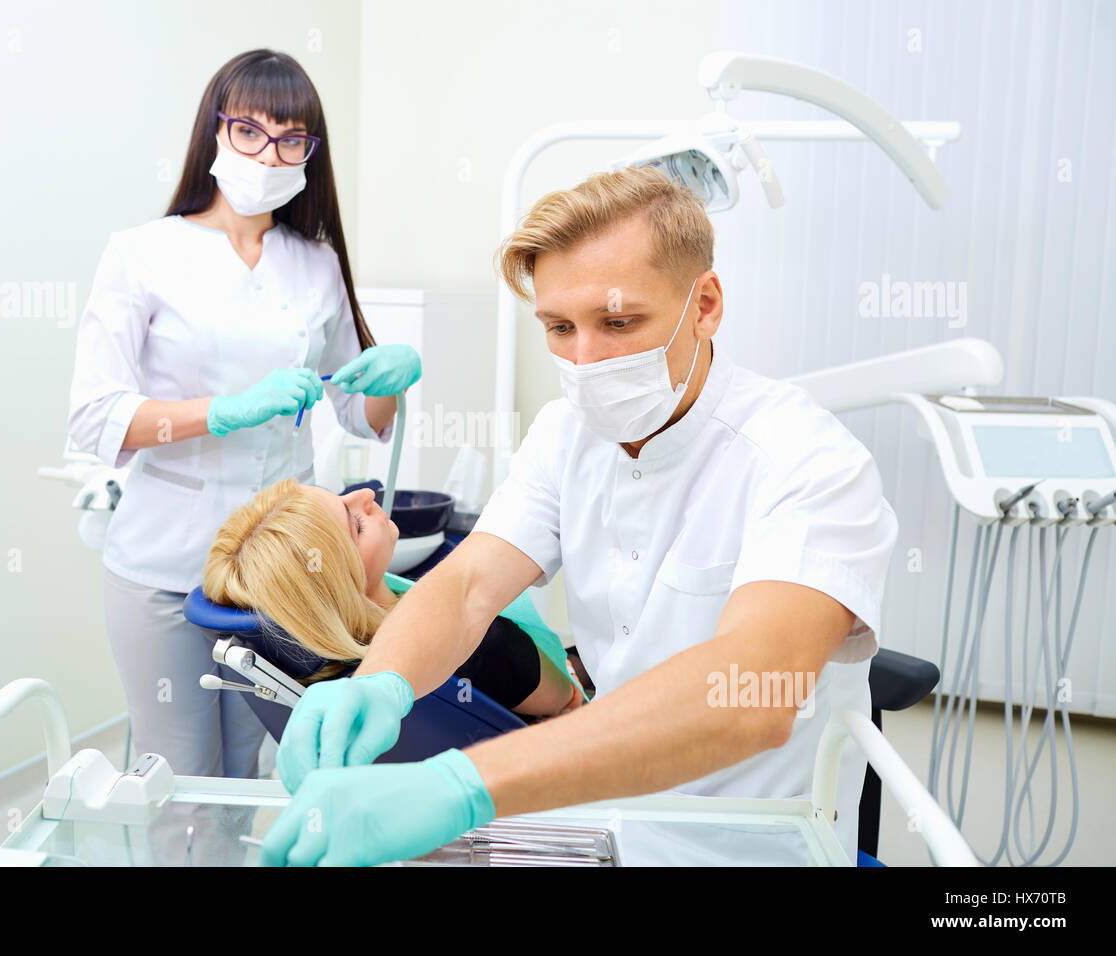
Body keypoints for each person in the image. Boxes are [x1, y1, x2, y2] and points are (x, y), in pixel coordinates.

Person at [258, 165, 899, 866]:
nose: (585, 359)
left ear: (706, 305)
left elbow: (749, 696)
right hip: (610, 824)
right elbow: (469, 585)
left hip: (753, 848)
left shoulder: (806, 461)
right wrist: (381, 681)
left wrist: (459, 785)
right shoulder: (566, 434)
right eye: (560, 327)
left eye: (618, 322)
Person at [66, 49, 421, 783]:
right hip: (164, 564)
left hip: (284, 570)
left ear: (309, 154)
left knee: (257, 768)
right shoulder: (142, 255)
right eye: (252, 132)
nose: (271, 153)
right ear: (216, 133)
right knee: (182, 777)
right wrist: (222, 412)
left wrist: (394, 373)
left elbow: (360, 413)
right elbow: (95, 418)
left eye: (292, 139)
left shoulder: (314, 261)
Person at [202, 478, 586, 725]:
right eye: (355, 523)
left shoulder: (333, 666)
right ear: (342, 586)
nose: (366, 495)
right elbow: (565, 700)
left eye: (342, 496)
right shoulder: (480, 644)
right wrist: (569, 676)